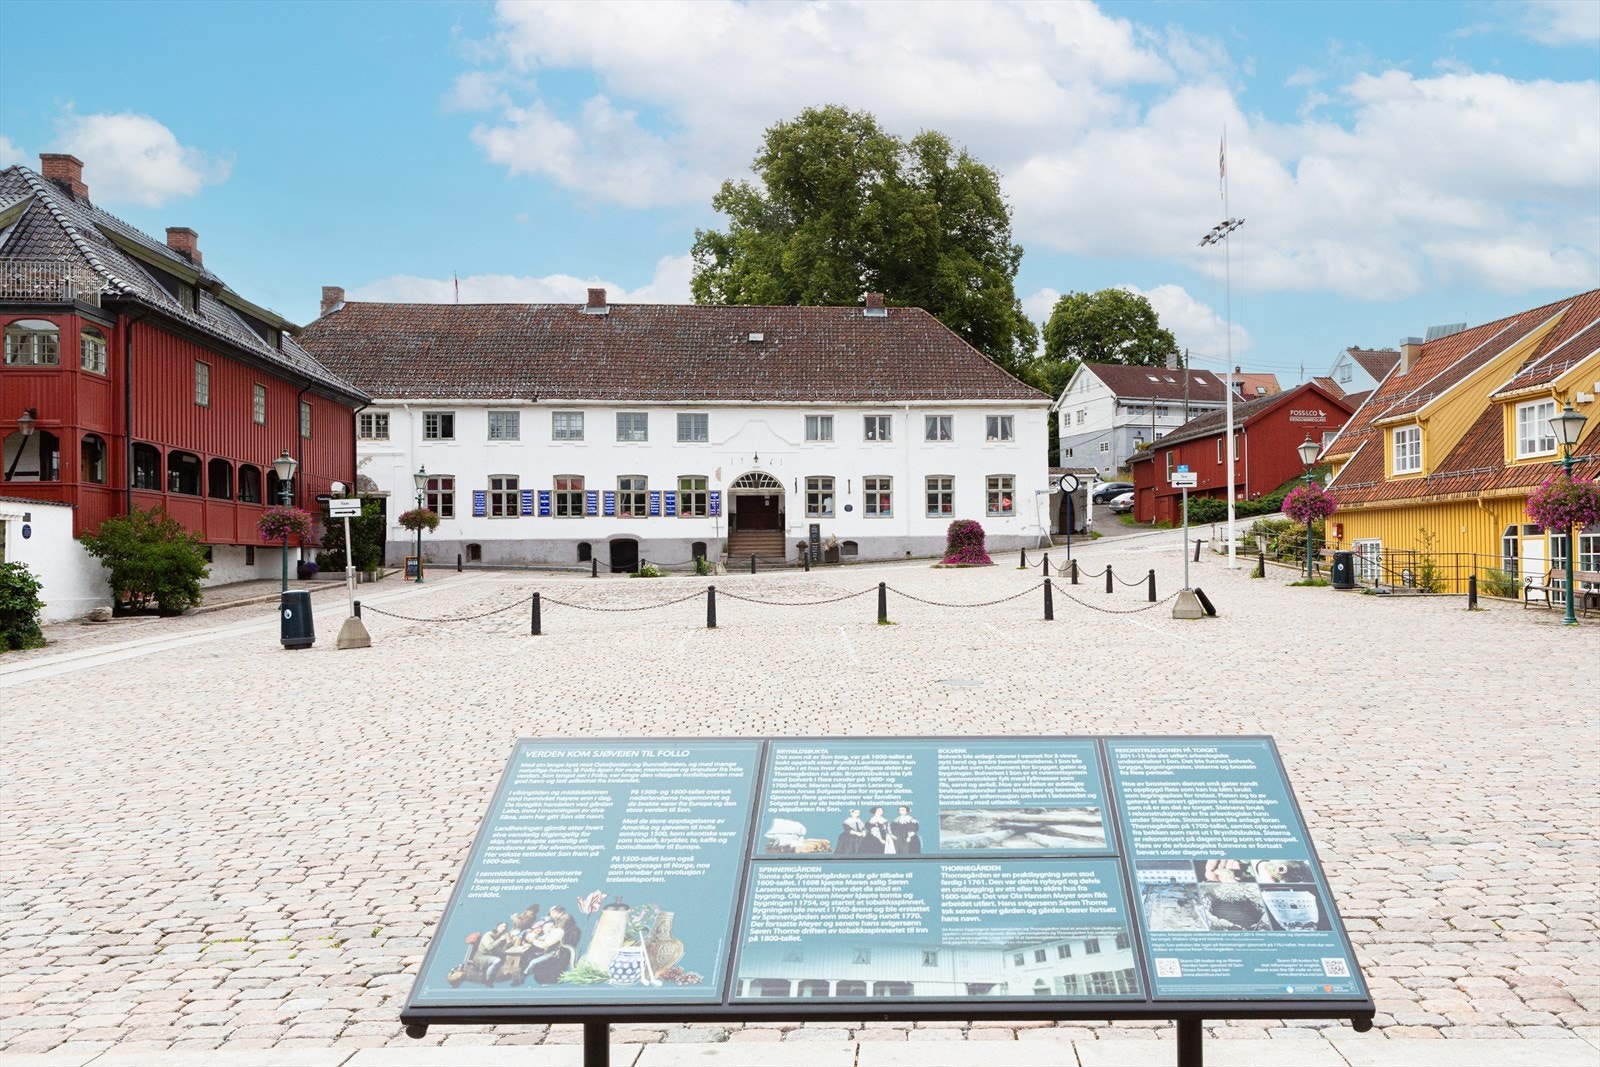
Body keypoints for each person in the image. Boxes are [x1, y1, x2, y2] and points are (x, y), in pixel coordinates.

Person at [527, 905, 582, 985]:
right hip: (561, 944)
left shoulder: (565, 918)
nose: (551, 916)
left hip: (565, 944)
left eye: (551, 914)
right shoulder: (561, 919)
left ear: (554, 912)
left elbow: (557, 933)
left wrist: (536, 940)